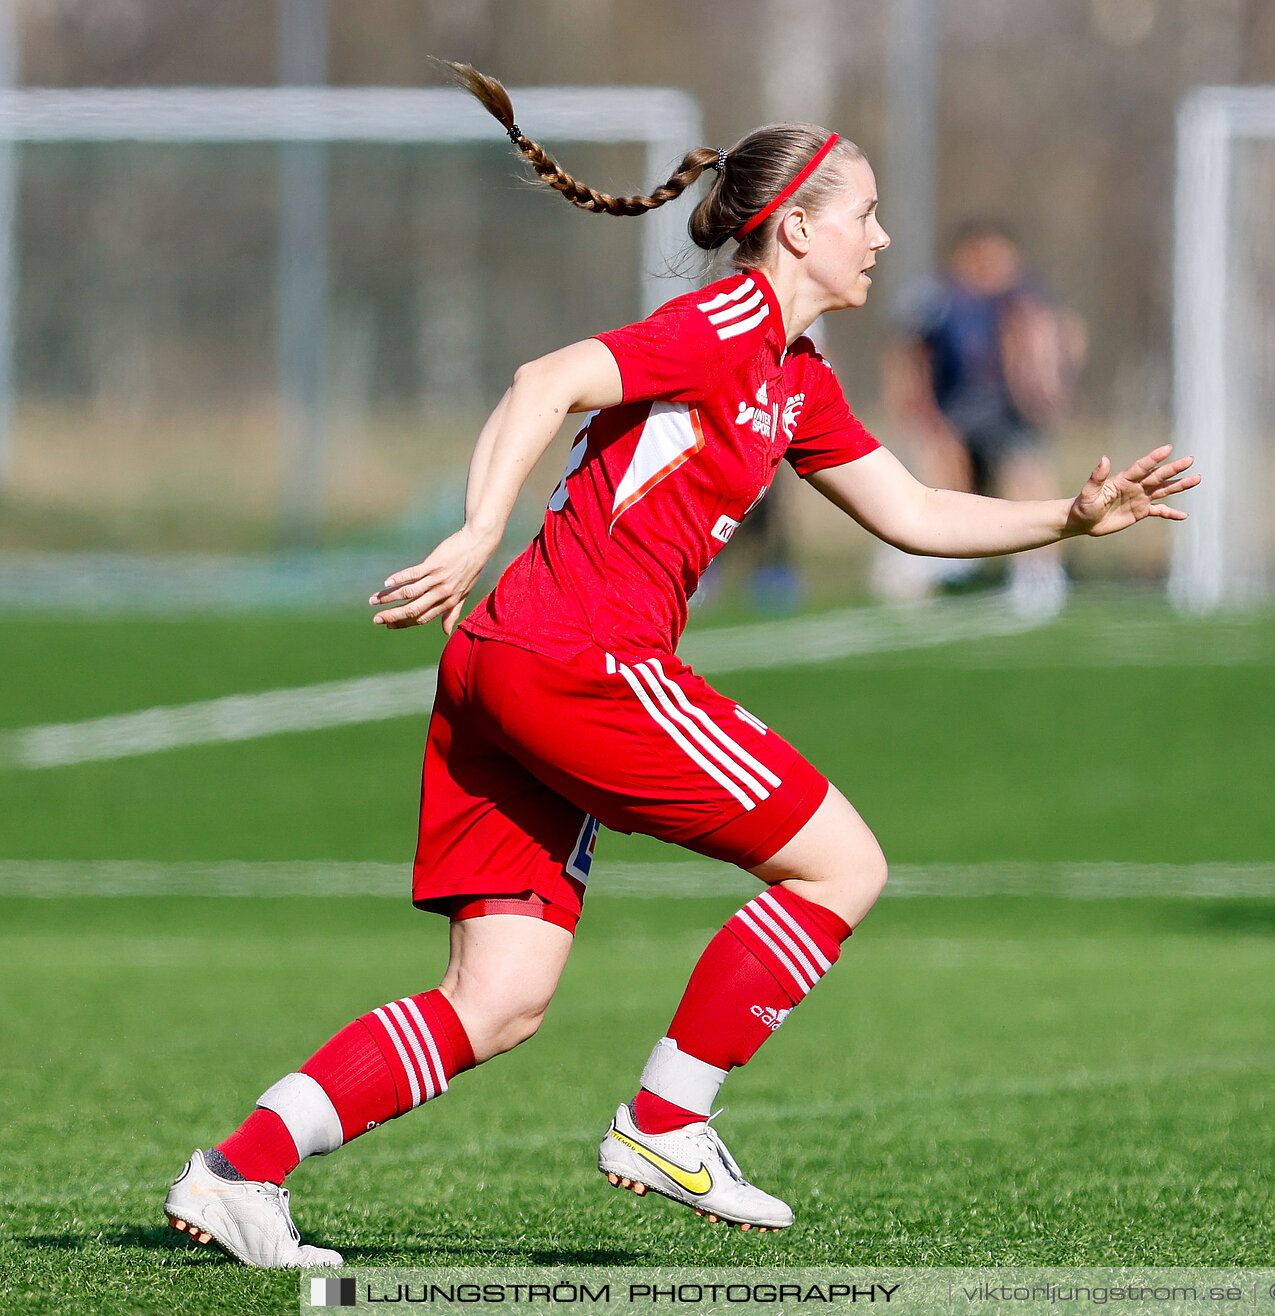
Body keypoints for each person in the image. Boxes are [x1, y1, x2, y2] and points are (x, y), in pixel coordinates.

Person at [160, 64, 1199, 1268]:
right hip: (577, 657)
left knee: (498, 998)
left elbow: (911, 510)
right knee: (842, 863)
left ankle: (238, 1171)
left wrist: (1069, 522)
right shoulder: (731, 325)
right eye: (864, 213)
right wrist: (475, 528)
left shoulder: (797, 379)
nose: (885, 235)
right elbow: (543, 381)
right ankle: (666, 1120)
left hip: (512, 662)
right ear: (798, 227)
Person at [877, 223, 1087, 617]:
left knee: (1028, 477)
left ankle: (1041, 572)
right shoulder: (940, 299)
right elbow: (909, 353)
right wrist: (916, 406)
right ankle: (940, 560)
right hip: (957, 410)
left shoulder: (1023, 299)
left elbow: (1066, 337)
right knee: (938, 466)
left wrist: (1051, 386)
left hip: (1011, 410)